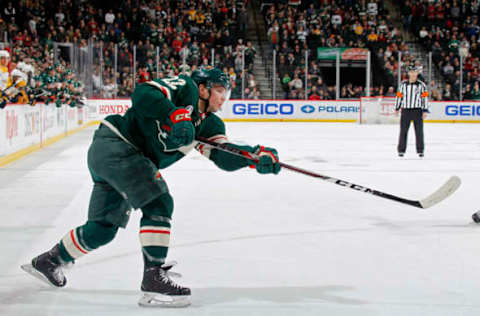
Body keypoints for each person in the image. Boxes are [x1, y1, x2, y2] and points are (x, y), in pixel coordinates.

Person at [21, 68, 281, 307]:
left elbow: (223, 154)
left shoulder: (210, 124)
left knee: (102, 229)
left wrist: (254, 157)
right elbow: (143, 92)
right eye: (220, 90)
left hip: (116, 155)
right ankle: (153, 279)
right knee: (159, 202)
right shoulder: (185, 87)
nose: (224, 97)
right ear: (203, 88)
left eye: (227, 93)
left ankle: (50, 261)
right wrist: (173, 115)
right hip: (119, 143)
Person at [395, 64, 429, 157]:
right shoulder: (402, 85)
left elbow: (424, 98)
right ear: (408, 73)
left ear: (417, 73)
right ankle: (401, 150)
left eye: (415, 72)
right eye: (411, 72)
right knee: (403, 131)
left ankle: (420, 150)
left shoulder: (422, 85)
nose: (413, 74)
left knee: (419, 131)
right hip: (405, 110)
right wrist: (397, 108)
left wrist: (425, 110)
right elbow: (399, 96)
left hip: (417, 110)